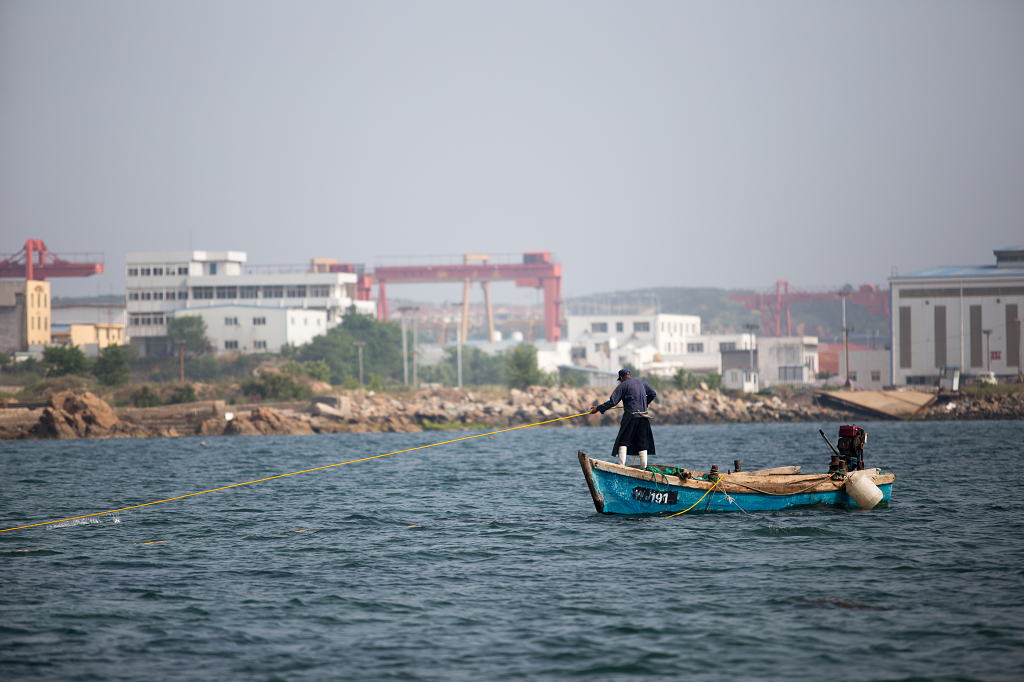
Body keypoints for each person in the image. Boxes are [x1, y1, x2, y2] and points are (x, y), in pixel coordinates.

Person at [589, 368, 657, 468]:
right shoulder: (641, 383)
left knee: (623, 441)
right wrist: (645, 403)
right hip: (643, 417)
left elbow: (612, 402)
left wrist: (598, 408)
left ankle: (621, 467)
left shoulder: (623, 385)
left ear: (621, 377)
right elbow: (653, 394)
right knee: (642, 443)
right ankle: (644, 468)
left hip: (631, 417)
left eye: (620, 379)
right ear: (630, 375)